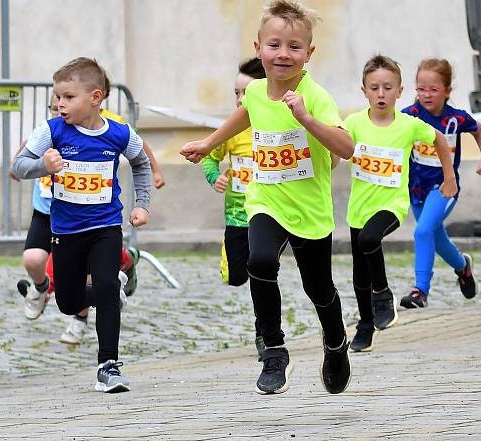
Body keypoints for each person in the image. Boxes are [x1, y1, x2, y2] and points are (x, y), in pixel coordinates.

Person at [181, 0, 354, 395]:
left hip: (309, 210)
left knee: (319, 289)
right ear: (259, 47)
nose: (283, 54)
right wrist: (209, 143)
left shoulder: (317, 96)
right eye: (275, 45)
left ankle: (335, 342)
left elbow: (346, 148)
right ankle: (274, 350)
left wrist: (307, 119)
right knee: (259, 260)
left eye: (294, 47)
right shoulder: (257, 91)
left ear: (309, 54)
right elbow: (245, 114)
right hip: (266, 199)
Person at [12, 57, 152, 393]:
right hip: (66, 231)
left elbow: (141, 164)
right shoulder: (51, 130)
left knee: (103, 287)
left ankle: (109, 366)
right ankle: (109, 291)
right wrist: (43, 166)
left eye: (68, 97)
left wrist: (142, 205)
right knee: (68, 301)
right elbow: (18, 166)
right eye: (57, 97)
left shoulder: (119, 133)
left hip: (105, 227)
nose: (60, 104)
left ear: (96, 97)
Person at [344, 55, 457, 352]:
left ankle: (382, 292)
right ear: (364, 90)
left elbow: (440, 141)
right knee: (359, 273)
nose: (381, 94)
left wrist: (449, 178)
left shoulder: (409, 125)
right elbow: (336, 149)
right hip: (359, 208)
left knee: (371, 238)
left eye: (387, 88)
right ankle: (365, 326)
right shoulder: (353, 123)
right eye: (375, 88)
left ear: (400, 90)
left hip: (392, 205)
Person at [400, 58, 481, 308]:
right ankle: (463, 267)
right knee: (436, 237)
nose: (426, 95)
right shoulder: (409, 116)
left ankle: (420, 291)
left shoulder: (455, 118)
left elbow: (480, 131)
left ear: (447, 91)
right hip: (416, 188)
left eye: (433, 89)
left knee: (422, 231)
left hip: (445, 188)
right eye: (421, 89)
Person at [201, 57, 266, 358]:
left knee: (263, 269)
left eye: (246, 93)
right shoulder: (231, 129)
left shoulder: (274, 126)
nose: (240, 100)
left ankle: (264, 331)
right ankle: (230, 255)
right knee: (238, 276)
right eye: (236, 93)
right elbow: (209, 157)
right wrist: (215, 177)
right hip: (237, 215)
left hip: (268, 212)